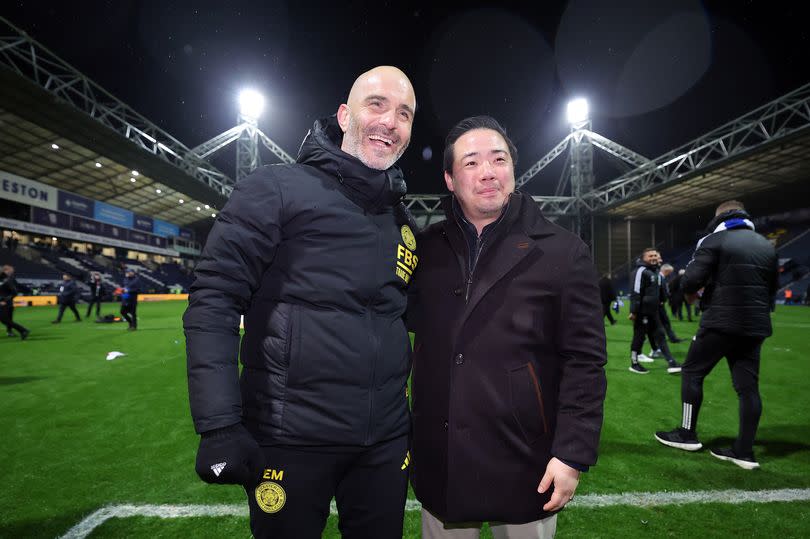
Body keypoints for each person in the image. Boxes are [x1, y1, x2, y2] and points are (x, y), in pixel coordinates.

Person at [183, 66, 418, 539]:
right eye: (378, 105)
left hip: (384, 442)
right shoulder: (274, 188)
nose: (390, 121)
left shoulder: (401, 218)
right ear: (345, 114)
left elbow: (412, 315)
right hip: (289, 439)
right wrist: (219, 424)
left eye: (405, 114)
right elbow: (214, 298)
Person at [406, 116, 607, 538]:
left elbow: (585, 361)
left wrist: (571, 454)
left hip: (525, 459)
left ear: (513, 170)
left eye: (498, 160)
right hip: (442, 458)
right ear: (449, 178)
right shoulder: (424, 250)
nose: (487, 173)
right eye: (471, 162)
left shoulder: (564, 251)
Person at [655, 200, 778, 469]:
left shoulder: (715, 240)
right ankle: (744, 451)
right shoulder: (766, 244)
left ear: (720, 217)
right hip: (756, 325)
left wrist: (692, 291)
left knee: (692, 372)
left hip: (721, 321)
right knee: (748, 388)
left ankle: (687, 434)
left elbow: (691, 280)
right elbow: (772, 290)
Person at [628, 249, 681, 374]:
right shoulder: (641, 271)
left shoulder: (655, 271)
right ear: (643, 257)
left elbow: (658, 290)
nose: (654, 257)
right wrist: (634, 311)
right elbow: (636, 291)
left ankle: (671, 362)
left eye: (655, 255)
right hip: (642, 311)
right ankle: (634, 363)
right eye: (650, 255)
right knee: (639, 337)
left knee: (660, 335)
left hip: (654, 311)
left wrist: (662, 299)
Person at [0, 264, 29, 340]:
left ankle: (23, 330)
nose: (12, 272)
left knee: (5, 319)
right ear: (6, 270)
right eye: (11, 271)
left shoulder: (6, 279)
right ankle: (21, 330)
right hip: (6, 302)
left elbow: (14, 292)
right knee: (6, 319)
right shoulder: (5, 279)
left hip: (5, 303)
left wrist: (4, 300)